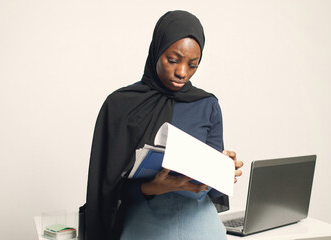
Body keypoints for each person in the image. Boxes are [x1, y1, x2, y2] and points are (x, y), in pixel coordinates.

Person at [79, 10, 243, 240]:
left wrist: (223, 171)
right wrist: (155, 187)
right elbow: (107, 190)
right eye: (173, 60)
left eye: (193, 65)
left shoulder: (207, 104)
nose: (182, 72)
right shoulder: (121, 105)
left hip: (201, 228)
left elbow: (213, 191)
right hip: (144, 227)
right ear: (157, 50)